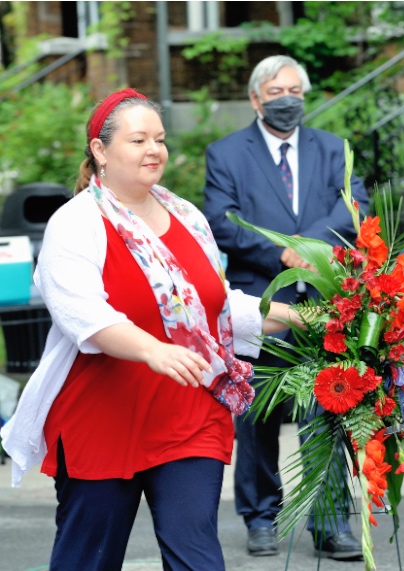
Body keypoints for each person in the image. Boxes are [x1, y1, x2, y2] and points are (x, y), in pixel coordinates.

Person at [0, 88, 301, 570]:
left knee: (197, 557)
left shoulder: (186, 215)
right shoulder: (74, 224)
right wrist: (152, 350)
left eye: (158, 139)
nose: (153, 150)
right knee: (87, 559)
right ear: (100, 150)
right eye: (138, 140)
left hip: (187, 413)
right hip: (103, 418)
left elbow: (214, 306)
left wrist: (302, 317)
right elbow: (82, 314)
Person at [202, 55, 369, 560]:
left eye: (295, 90)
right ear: (256, 98)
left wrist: (307, 248)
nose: (287, 99)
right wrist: (280, 251)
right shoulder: (226, 153)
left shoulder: (333, 149)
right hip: (259, 302)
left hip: (323, 303)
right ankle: (260, 516)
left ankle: (331, 519)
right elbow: (221, 218)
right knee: (256, 415)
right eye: (276, 91)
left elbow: (354, 204)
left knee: (329, 409)